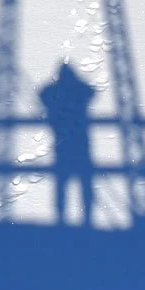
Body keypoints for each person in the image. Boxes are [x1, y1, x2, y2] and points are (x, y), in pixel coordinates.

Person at [39, 62, 96, 225]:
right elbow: (91, 92)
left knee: (62, 183)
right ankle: (87, 217)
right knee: (84, 182)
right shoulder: (79, 92)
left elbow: (42, 94)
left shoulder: (55, 93)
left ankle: (61, 216)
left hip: (63, 145)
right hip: (82, 145)